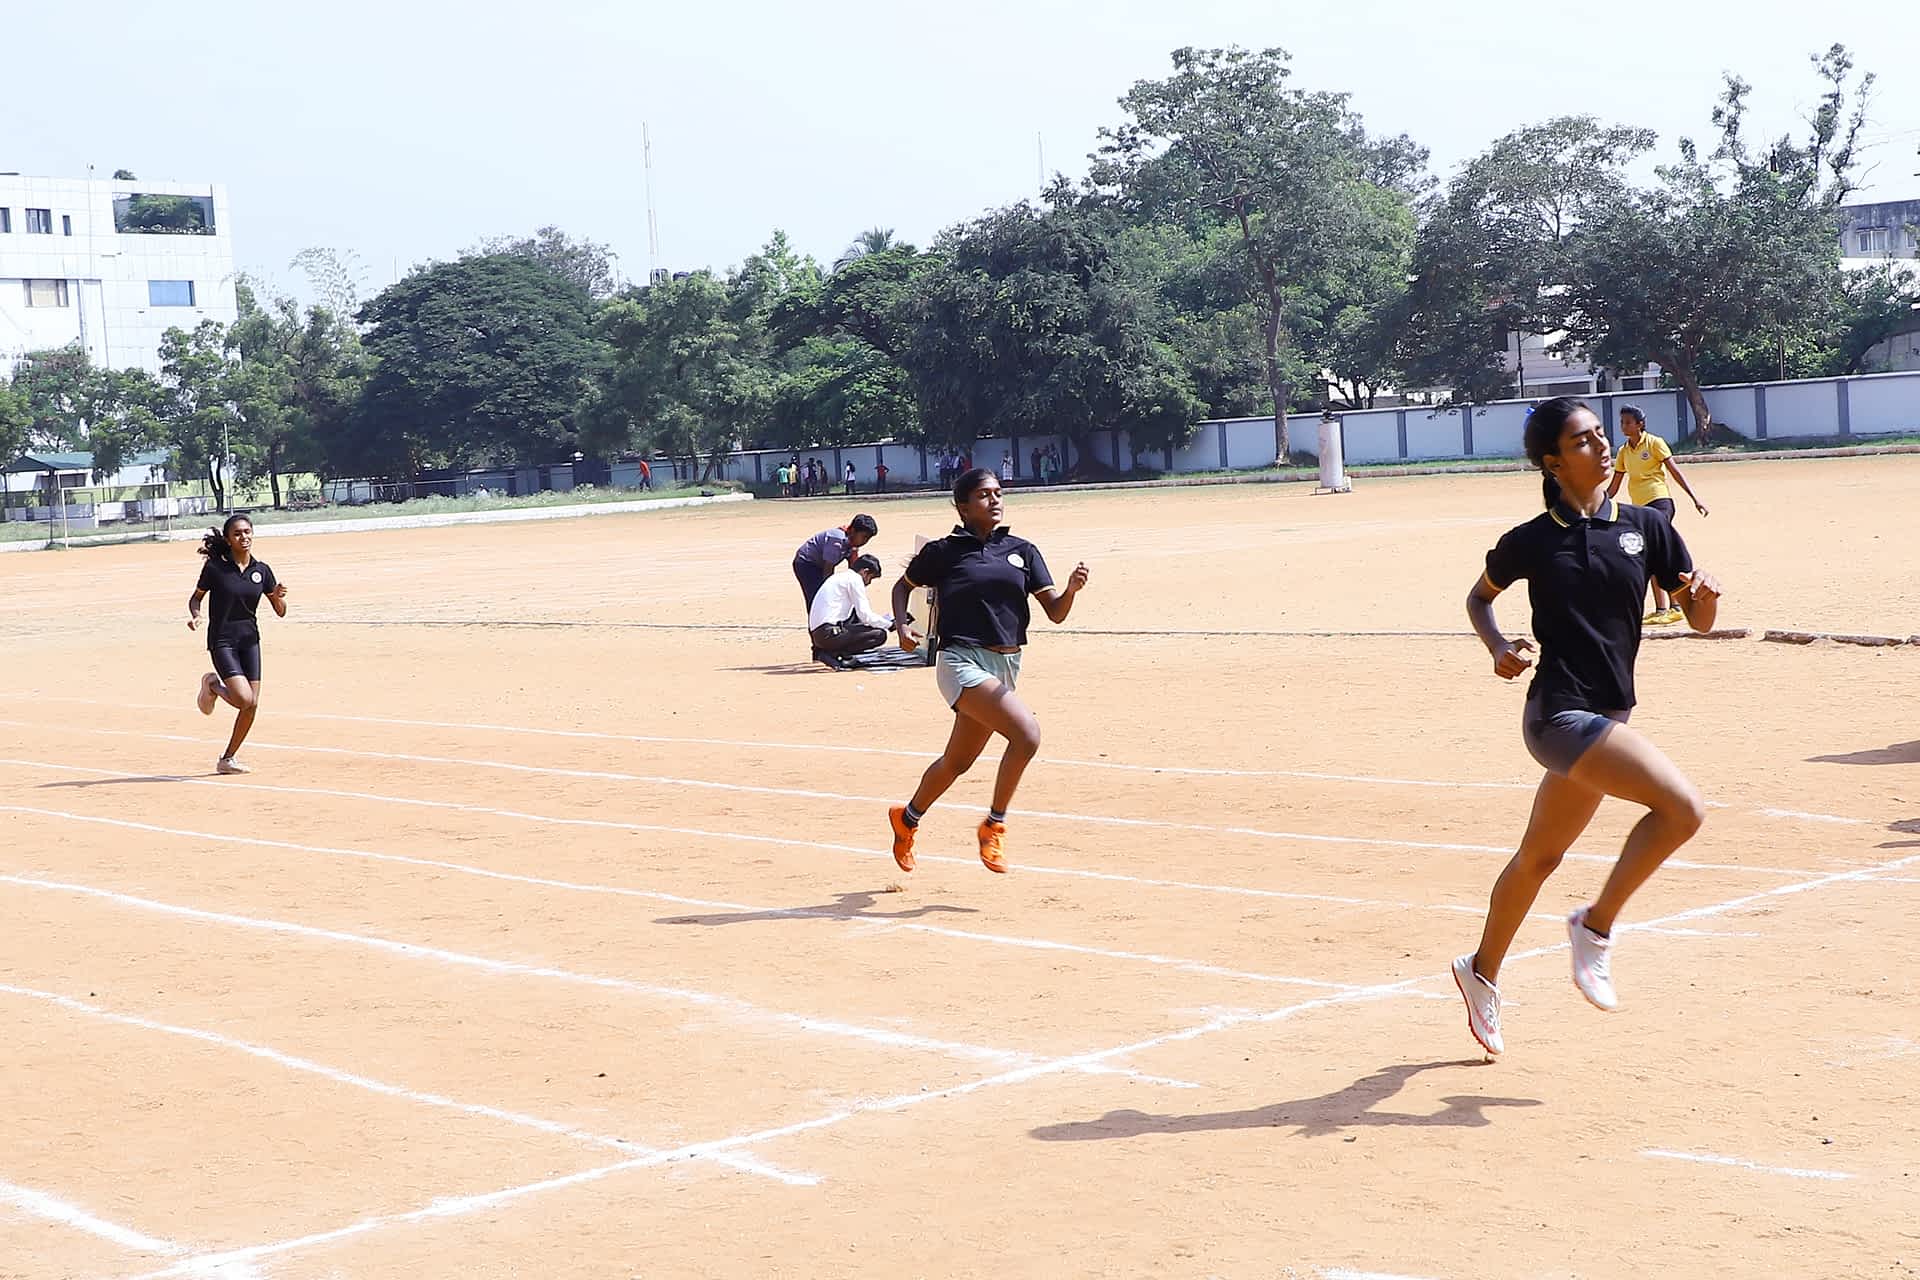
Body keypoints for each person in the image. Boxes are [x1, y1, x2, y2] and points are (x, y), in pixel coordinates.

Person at [1452, 397, 1722, 1057]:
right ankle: (1595, 927)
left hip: (1608, 716)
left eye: (1602, 435)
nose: (1602, 447)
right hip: (1557, 715)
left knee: (1540, 858)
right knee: (1682, 809)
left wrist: (1704, 598)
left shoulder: (1647, 527)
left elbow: (1698, 620)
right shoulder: (1531, 540)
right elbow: (1480, 598)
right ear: (1553, 462)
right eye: (1583, 441)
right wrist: (1497, 647)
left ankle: (1479, 971)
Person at [885, 468, 1090, 874]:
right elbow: (901, 587)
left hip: (1006, 665)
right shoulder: (943, 551)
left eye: (998, 493)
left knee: (957, 762)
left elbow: (1056, 613)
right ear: (963, 507)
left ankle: (906, 819)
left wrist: (1070, 590)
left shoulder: (1022, 550)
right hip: (960, 660)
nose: (995, 500)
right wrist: (903, 625)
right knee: (1027, 735)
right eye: (983, 495)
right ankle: (994, 825)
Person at [187, 512, 289, 776]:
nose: (244, 537)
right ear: (228, 539)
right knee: (243, 698)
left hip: (249, 641)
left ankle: (227, 759)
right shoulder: (215, 568)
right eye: (237, 533)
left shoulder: (261, 570)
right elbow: (196, 598)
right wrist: (197, 616)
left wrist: (278, 596)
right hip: (222, 641)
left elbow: (280, 611)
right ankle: (212, 685)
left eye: (247, 532)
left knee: (251, 705)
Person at [1606, 405, 1709, 625]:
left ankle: (1675, 606)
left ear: (1640, 424)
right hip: (1640, 510)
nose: (1623, 426)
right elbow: (1614, 486)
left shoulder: (1654, 443)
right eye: (1622, 422)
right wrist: (1594, 503)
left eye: (1628, 422)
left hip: (1660, 501)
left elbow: (1675, 471)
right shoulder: (1624, 452)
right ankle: (1662, 609)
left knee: (1657, 553)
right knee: (1649, 557)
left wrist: (1695, 498)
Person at [794, 514, 879, 659]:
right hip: (807, 564)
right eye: (864, 537)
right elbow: (828, 572)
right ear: (853, 531)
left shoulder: (852, 544)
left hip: (820, 565)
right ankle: (819, 649)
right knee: (816, 603)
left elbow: (854, 570)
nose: (865, 542)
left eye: (868, 539)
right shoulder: (837, 540)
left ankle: (841, 641)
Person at [808, 554, 891, 669]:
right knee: (879, 634)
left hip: (820, 633)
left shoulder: (841, 577)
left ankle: (830, 652)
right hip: (828, 634)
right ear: (864, 572)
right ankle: (833, 654)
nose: (869, 583)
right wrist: (890, 625)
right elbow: (865, 615)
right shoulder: (855, 580)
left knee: (859, 621)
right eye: (870, 578)